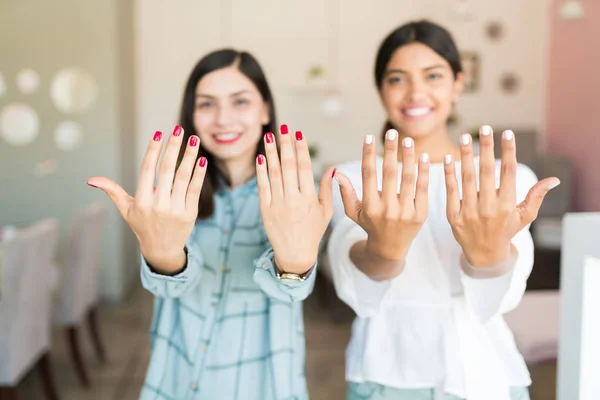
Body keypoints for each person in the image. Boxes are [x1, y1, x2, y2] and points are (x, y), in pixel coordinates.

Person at [328, 20, 560, 400]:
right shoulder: (354, 179)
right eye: (397, 79)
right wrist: (384, 250)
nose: (415, 92)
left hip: (485, 372)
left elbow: (504, 294)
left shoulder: (507, 178)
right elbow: (355, 283)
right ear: (381, 90)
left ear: (458, 82)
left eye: (433, 75)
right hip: (387, 372)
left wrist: (487, 255)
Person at [87, 49, 334, 400]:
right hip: (174, 379)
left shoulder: (293, 197)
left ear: (265, 108)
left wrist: (294, 264)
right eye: (206, 104)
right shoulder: (171, 198)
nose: (222, 118)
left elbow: (291, 291)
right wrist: (163, 256)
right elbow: (169, 290)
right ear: (191, 113)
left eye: (240, 101)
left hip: (266, 385)